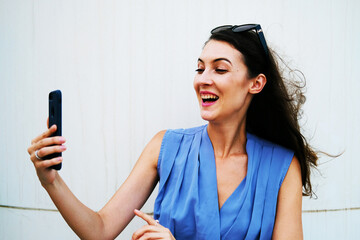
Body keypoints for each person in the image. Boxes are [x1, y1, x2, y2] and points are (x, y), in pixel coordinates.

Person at [27, 24, 317, 240]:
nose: (203, 80)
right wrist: (51, 181)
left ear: (256, 83)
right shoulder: (165, 146)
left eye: (220, 70)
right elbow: (99, 230)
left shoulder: (282, 167)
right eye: (200, 68)